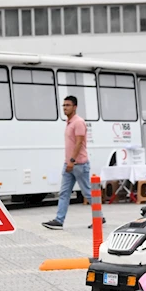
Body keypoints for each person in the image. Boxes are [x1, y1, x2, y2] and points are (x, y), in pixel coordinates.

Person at [42, 96, 103, 229]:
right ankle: (59, 220)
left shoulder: (78, 122)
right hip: (69, 164)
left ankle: (99, 217)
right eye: (64, 105)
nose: (65, 108)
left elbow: (79, 142)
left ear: (75, 107)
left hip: (79, 164)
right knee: (64, 193)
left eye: (68, 105)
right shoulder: (69, 122)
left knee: (87, 192)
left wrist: (72, 161)